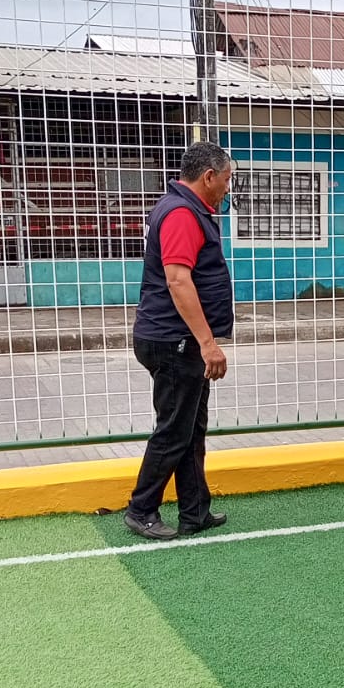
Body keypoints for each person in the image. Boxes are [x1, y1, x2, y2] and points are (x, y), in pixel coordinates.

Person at [124, 141, 234, 541]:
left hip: (176, 338)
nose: (227, 188)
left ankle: (194, 511)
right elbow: (178, 280)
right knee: (174, 430)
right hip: (174, 341)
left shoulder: (182, 208)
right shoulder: (182, 214)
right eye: (226, 180)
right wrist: (207, 342)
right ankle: (141, 509)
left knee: (190, 427)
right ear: (208, 176)